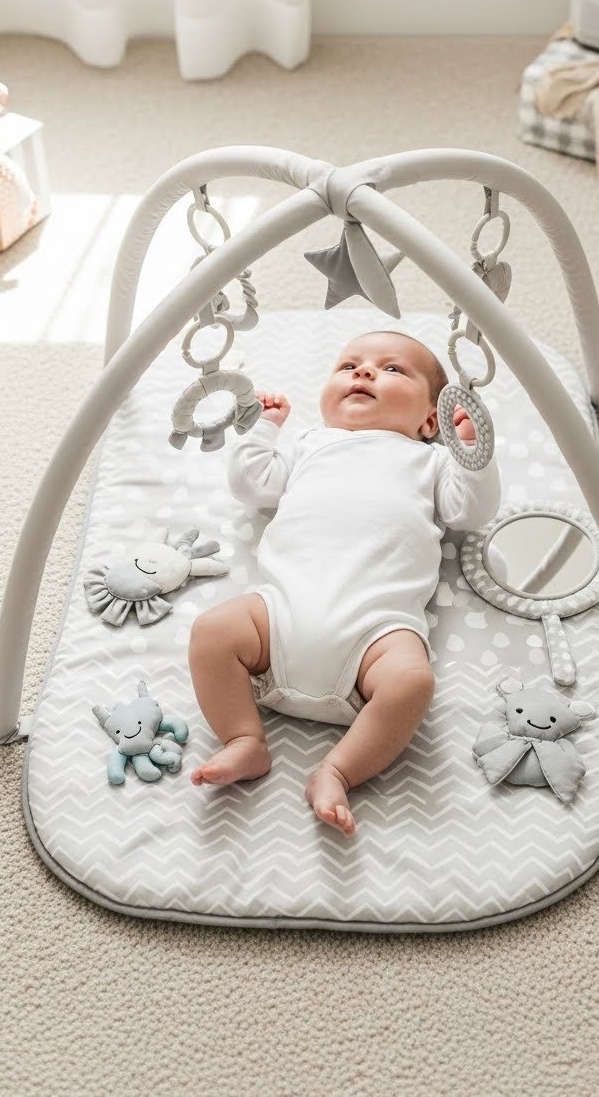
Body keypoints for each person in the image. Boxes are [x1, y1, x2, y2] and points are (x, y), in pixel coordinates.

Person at [188, 330, 501, 836]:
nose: (363, 372)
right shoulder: (312, 443)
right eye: (348, 365)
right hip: (279, 616)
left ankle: (337, 770)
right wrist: (264, 430)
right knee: (211, 631)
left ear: (428, 420)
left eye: (393, 369)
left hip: (376, 631)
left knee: (413, 682)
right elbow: (250, 484)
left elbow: (472, 508)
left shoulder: (430, 460)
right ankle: (244, 738)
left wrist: (471, 453)